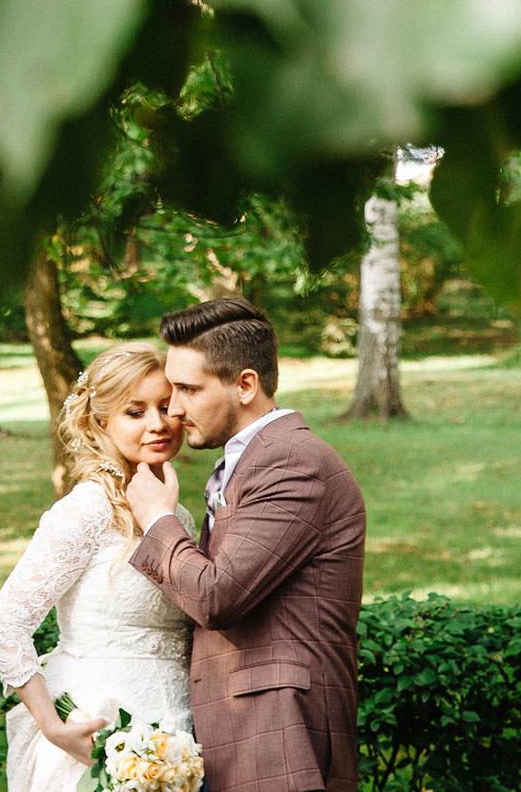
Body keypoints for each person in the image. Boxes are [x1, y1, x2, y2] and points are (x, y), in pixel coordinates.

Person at [126, 298, 366, 792]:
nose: (173, 408)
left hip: (281, 737)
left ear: (246, 384)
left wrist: (157, 521)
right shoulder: (254, 458)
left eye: (189, 389)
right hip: (243, 732)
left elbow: (218, 596)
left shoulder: (293, 461)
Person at [0, 345, 197, 792]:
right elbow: (4, 625)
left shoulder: (181, 517)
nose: (157, 424)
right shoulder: (88, 509)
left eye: (164, 407)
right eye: (134, 412)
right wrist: (54, 726)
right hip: (96, 728)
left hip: (176, 731)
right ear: (101, 423)